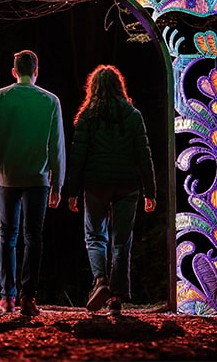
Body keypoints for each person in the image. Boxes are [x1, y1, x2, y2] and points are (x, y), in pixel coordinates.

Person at [0, 49, 66, 317]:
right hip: (38, 178)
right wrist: (57, 182)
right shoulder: (50, 101)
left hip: (6, 176)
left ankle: (7, 297)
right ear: (36, 71)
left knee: (7, 236)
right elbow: (56, 145)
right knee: (33, 238)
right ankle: (29, 297)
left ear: (14, 71)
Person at [67, 64, 156, 315]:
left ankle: (100, 281)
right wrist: (150, 191)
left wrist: (72, 190)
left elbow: (78, 156)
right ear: (120, 87)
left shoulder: (87, 117)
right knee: (121, 240)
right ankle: (116, 297)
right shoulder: (133, 115)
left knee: (95, 236)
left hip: (95, 184)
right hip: (127, 185)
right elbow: (143, 154)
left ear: (93, 88)